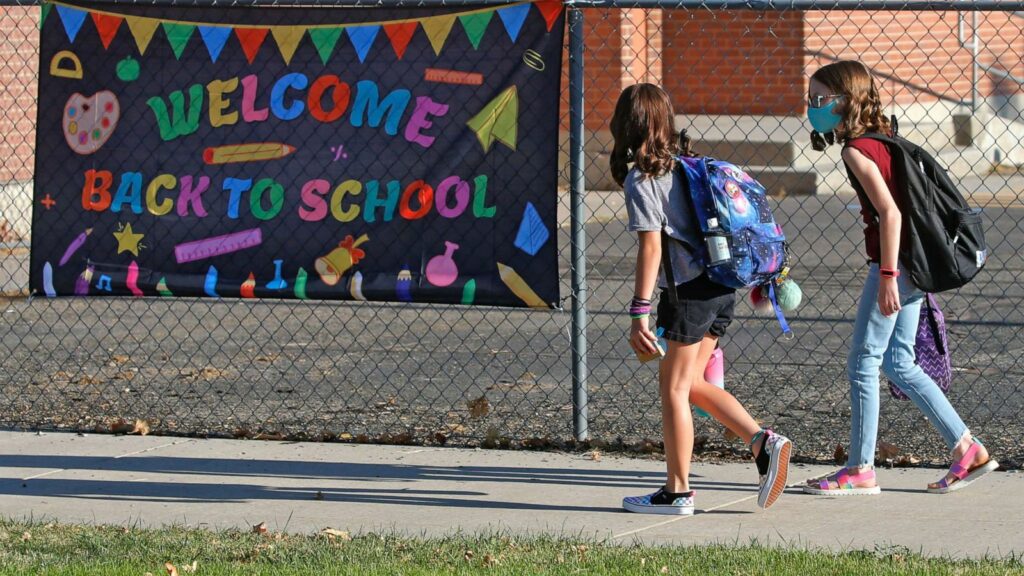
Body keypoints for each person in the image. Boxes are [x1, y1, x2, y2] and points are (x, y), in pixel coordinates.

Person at [803, 61, 999, 495]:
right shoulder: (884, 136)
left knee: (863, 363)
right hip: (914, 263)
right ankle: (968, 449)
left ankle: (859, 469)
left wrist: (889, 275)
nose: (812, 107)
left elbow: (891, 214)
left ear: (844, 103)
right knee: (898, 361)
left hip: (897, 266)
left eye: (820, 100)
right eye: (810, 99)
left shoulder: (856, 150)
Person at [611, 83, 792, 515]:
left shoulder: (643, 177)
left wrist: (638, 311)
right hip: (721, 288)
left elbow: (651, 248)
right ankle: (763, 442)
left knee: (673, 388)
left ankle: (677, 492)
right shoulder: (684, 164)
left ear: (625, 125)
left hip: (689, 294)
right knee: (690, 384)